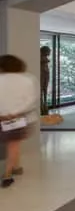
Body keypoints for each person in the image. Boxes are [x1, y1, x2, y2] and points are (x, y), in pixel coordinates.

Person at [0, 55, 38, 188]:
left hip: (1, 117)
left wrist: (3, 115)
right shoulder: (28, 79)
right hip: (18, 118)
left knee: (12, 145)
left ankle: (15, 167)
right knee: (13, 145)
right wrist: (15, 113)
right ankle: (8, 173)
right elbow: (31, 100)